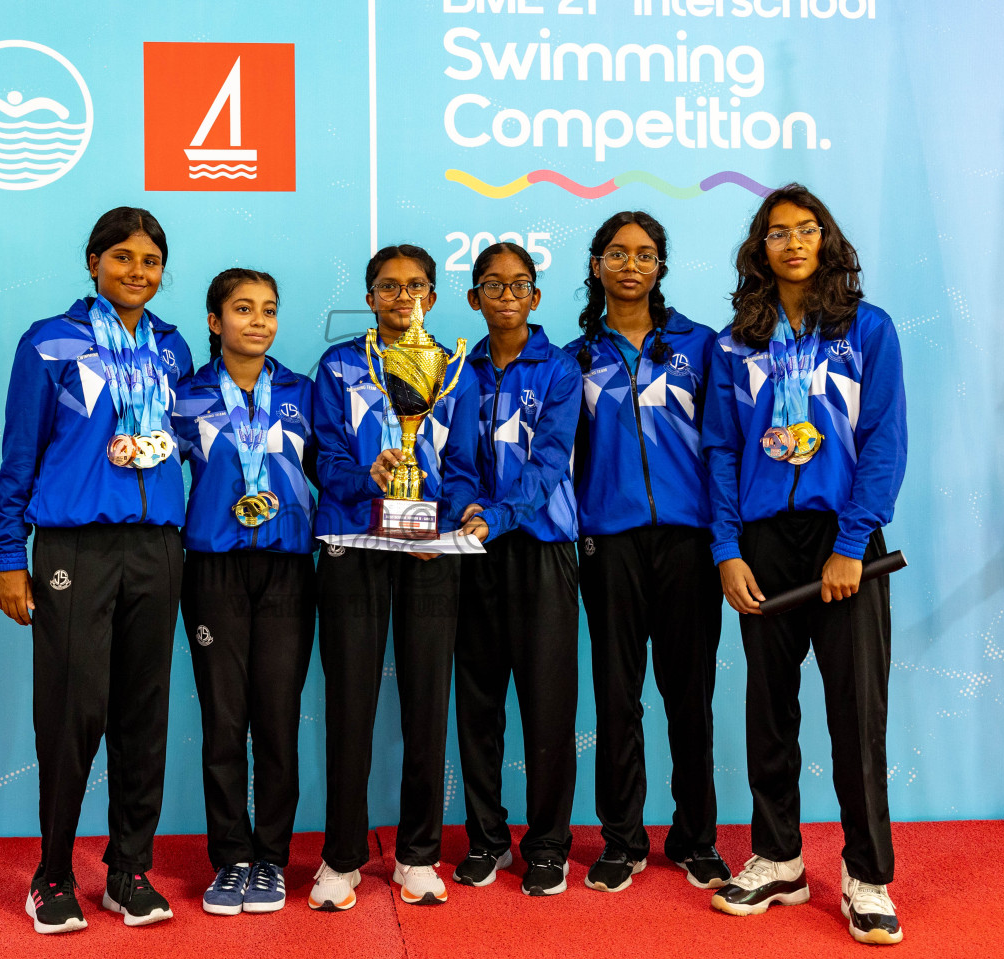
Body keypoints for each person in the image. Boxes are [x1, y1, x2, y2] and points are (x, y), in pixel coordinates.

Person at [701, 183, 907, 946]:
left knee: (856, 714)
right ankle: (778, 857)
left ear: (827, 240)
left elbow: (884, 441)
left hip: (842, 538)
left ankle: (868, 875)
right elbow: (720, 449)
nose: (792, 242)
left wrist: (853, 544)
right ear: (759, 249)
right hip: (762, 542)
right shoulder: (736, 341)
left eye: (806, 229)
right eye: (777, 232)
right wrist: (726, 549)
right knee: (769, 709)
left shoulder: (868, 329)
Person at [0, 206, 192, 933]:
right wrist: (10, 555)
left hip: (157, 549)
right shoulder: (49, 344)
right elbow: (20, 454)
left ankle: (128, 870)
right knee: (73, 714)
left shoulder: (173, 350)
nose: (137, 273)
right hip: (75, 548)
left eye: (150, 261)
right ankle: (51, 875)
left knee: (145, 716)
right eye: (123, 259)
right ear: (93, 262)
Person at [308, 244, 481, 910]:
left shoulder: (453, 370)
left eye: (415, 286)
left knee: (426, 702)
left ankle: (417, 855)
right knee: (350, 703)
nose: (401, 296)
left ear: (432, 297)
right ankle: (342, 857)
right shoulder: (340, 365)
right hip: (353, 543)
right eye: (387, 286)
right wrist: (366, 476)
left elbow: (463, 464)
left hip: (428, 553)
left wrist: (442, 523)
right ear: (370, 296)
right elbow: (323, 454)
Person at [564, 211, 731, 894]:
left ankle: (695, 840)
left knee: (690, 698)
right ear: (597, 265)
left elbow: (724, 447)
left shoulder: (703, 345)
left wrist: (726, 538)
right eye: (617, 253)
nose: (631, 264)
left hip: (691, 542)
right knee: (616, 697)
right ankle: (623, 840)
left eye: (645, 253)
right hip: (610, 543)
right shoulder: (573, 356)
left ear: (661, 265)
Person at [172, 268, 317, 916]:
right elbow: (147, 472)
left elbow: (333, 471)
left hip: (288, 569)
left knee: (277, 721)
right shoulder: (186, 396)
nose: (257, 321)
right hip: (213, 570)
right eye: (242, 309)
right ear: (214, 321)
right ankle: (230, 858)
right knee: (225, 720)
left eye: (268, 309)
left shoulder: (303, 393)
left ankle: (271, 858)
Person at [452, 243, 582, 896]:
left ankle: (549, 846)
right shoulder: (455, 372)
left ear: (536, 296)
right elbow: (449, 460)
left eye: (520, 285)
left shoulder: (559, 370)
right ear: (473, 298)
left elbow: (552, 459)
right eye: (492, 286)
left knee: (547, 705)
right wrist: (463, 511)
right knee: (477, 704)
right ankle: (486, 839)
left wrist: (496, 516)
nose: (507, 296)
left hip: (542, 547)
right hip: (473, 551)